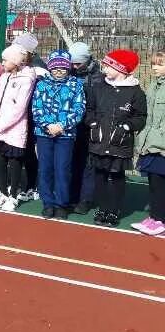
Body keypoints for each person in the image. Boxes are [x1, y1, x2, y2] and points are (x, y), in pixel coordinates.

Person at [86, 49, 147, 227]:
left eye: (108, 65)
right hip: (99, 141)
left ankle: (114, 210)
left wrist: (127, 126)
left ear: (120, 69)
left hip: (119, 143)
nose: (104, 67)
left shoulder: (136, 92)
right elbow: (89, 110)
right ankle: (102, 208)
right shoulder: (98, 87)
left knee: (116, 177)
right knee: (100, 176)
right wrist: (92, 124)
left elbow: (140, 116)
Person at [32, 51, 86, 219]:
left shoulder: (76, 85)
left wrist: (62, 125)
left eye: (63, 67)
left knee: (62, 169)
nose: (59, 70)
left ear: (68, 68)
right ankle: (47, 202)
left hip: (65, 134)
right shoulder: (41, 85)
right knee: (45, 168)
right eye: (55, 67)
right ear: (50, 68)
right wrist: (47, 125)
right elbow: (36, 108)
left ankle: (61, 203)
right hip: (44, 133)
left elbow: (79, 109)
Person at [0, 44, 36, 212]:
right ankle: (3, 193)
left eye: (6, 60)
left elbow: (19, 109)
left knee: (15, 163)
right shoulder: (4, 77)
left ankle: (13, 196)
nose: (3, 62)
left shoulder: (27, 79)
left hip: (14, 130)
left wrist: (0, 126)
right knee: (0, 160)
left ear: (15, 61)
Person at [132, 51, 165, 235]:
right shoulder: (153, 86)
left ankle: (161, 219)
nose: (154, 67)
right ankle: (154, 216)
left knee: (161, 185)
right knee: (153, 183)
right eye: (153, 64)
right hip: (150, 142)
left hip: (161, 145)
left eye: (159, 64)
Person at [68, 41, 103, 214]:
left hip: (89, 126)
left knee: (88, 164)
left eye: (78, 63)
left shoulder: (98, 78)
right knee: (73, 161)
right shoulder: (69, 73)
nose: (74, 66)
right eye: (72, 63)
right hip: (72, 125)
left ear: (87, 60)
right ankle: (72, 195)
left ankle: (85, 199)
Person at [12, 31, 46, 202]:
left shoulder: (38, 70)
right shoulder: (16, 67)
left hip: (34, 118)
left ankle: (34, 186)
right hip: (19, 117)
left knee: (34, 152)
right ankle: (24, 185)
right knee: (23, 152)